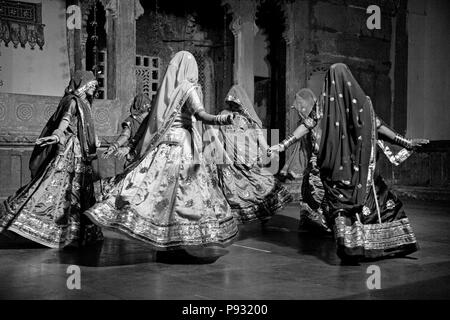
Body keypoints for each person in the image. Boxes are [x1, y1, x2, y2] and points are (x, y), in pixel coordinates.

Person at [268, 63, 428, 262]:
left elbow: (308, 125)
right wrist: (406, 142)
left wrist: (283, 145)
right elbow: (378, 127)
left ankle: (354, 248)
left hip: (346, 170)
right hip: (356, 170)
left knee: (348, 208)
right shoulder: (350, 103)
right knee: (365, 206)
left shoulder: (348, 103)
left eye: (330, 80)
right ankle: (365, 247)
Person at [84, 51, 238, 253]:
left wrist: (131, 146)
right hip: (183, 145)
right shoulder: (188, 88)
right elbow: (200, 114)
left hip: (163, 147)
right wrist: (222, 119)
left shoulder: (166, 92)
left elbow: (150, 122)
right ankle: (179, 241)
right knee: (184, 193)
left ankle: (165, 241)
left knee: (157, 193)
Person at [0, 71, 103, 248]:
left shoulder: (85, 103)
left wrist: (94, 140)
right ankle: (42, 225)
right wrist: (56, 135)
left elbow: (84, 127)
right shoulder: (73, 101)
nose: (95, 88)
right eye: (92, 85)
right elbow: (65, 121)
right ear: (83, 85)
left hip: (82, 154)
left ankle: (76, 232)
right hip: (70, 151)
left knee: (79, 191)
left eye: (95, 86)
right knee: (57, 187)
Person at [211, 84, 292, 223]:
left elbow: (258, 136)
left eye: (236, 102)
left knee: (259, 184)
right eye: (231, 102)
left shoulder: (248, 118)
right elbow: (216, 136)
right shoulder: (223, 115)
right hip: (230, 160)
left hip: (249, 160)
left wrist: (267, 149)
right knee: (233, 190)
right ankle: (236, 216)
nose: (233, 105)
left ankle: (264, 211)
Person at [102, 93, 152, 165]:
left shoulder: (153, 120)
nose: (147, 107)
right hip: (134, 153)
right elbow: (125, 135)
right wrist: (114, 146)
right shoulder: (131, 120)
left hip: (150, 152)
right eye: (144, 104)